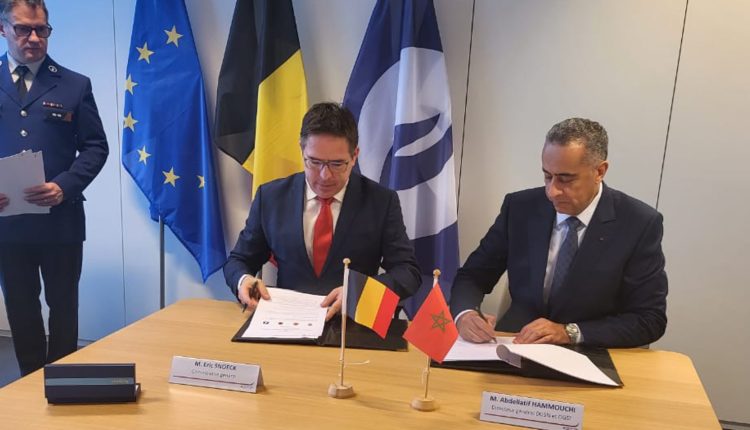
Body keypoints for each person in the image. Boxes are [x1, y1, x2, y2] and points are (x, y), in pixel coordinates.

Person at [450, 118, 667, 348]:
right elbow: (472, 276)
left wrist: (570, 332)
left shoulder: (638, 223)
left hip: (588, 351)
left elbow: (649, 319)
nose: (552, 191)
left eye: (565, 179)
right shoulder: (520, 208)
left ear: (599, 171)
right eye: (547, 176)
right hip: (516, 344)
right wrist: (465, 314)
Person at [224, 102, 421, 319]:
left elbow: (408, 272)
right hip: (287, 321)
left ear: (354, 156)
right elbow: (239, 260)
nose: (325, 176)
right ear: (302, 151)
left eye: (337, 164)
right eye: (315, 162)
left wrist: (360, 292)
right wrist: (243, 280)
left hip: (352, 322)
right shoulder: (271, 197)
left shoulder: (381, 201)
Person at [0, 0, 108, 375]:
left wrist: (64, 186)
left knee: (63, 306)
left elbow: (95, 147)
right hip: (8, 223)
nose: (33, 38)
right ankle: (30, 381)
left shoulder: (75, 84)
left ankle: (62, 380)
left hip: (61, 221)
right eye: (23, 29)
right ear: (3, 28)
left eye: (41, 29)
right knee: (21, 308)